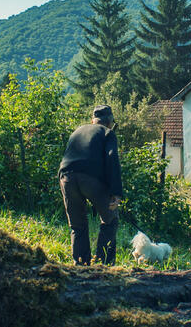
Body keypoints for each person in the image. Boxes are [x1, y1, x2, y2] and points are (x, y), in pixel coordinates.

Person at [58, 105, 123, 265]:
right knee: (110, 219)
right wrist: (116, 192)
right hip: (91, 179)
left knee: (77, 225)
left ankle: (81, 265)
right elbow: (112, 159)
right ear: (110, 122)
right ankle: (103, 265)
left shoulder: (78, 131)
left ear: (93, 120)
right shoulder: (108, 133)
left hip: (66, 176)